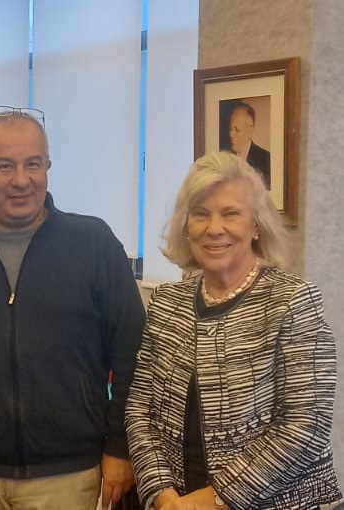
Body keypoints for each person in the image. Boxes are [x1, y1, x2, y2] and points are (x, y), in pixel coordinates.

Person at [0, 107, 145, 510]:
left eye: (33, 164)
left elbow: (132, 354)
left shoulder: (93, 244)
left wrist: (120, 447)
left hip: (68, 476)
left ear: (48, 168)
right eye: (5, 166)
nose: (21, 180)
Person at [125, 152, 340, 510]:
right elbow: (139, 410)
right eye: (200, 214)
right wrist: (162, 493)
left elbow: (306, 426)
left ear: (256, 225)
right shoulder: (166, 302)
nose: (214, 228)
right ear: (186, 225)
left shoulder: (292, 301)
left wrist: (208, 501)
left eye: (230, 213)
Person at [227, 102, 270, 188]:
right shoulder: (224, 158)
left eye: (237, 130)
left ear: (250, 130)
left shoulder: (266, 159)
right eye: (230, 129)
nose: (231, 134)